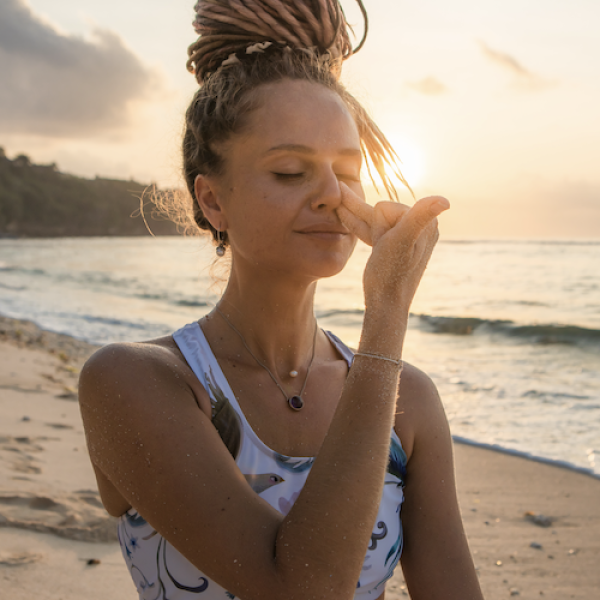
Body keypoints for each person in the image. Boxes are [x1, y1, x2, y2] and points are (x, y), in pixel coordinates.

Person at [79, 1, 484, 598]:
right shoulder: (134, 382)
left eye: (347, 171)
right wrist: (387, 313)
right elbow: (301, 588)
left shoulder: (410, 401)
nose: (329, 194)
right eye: (291, 172)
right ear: (213, 201)